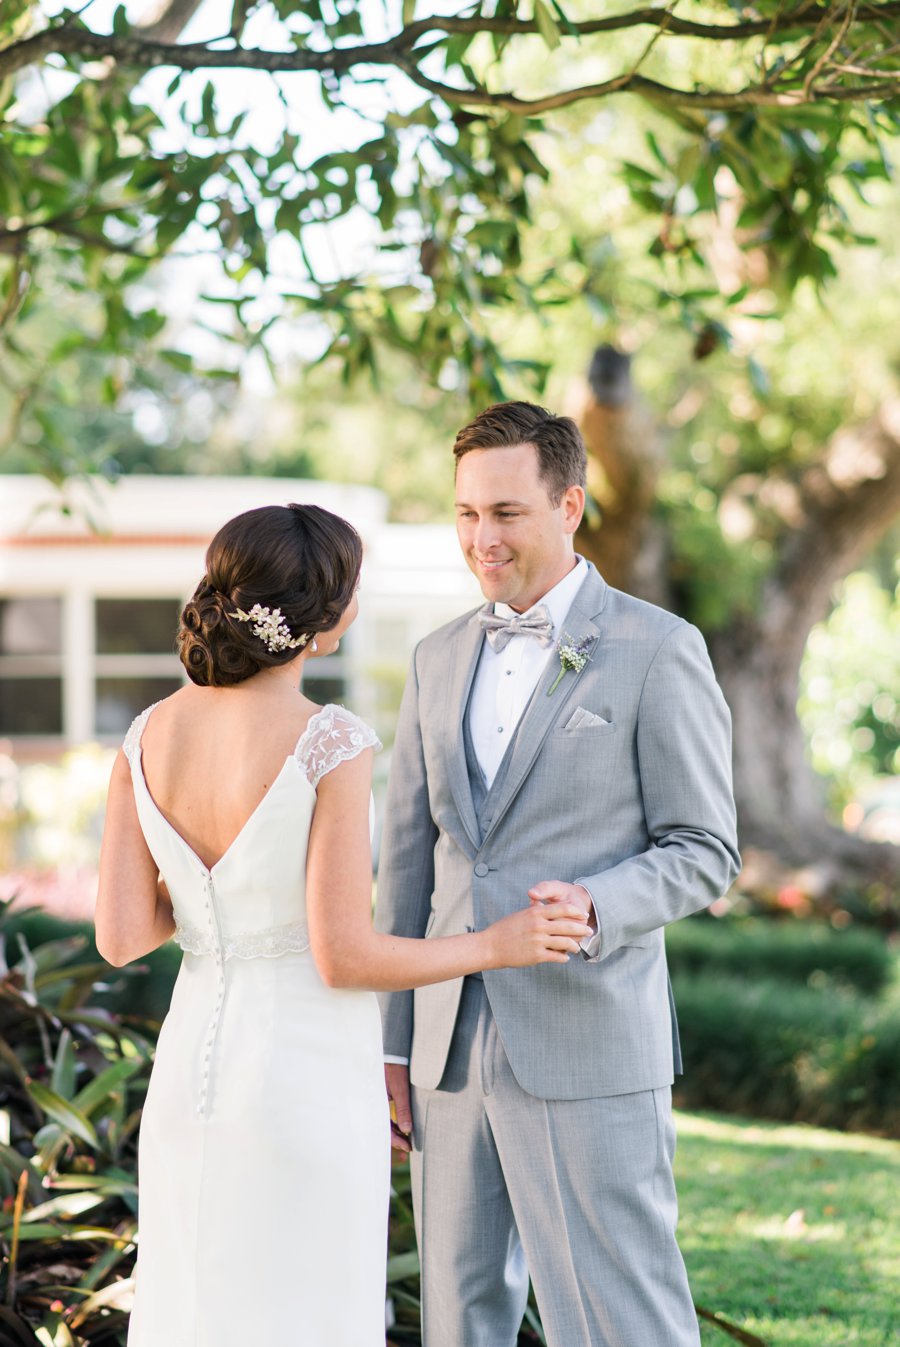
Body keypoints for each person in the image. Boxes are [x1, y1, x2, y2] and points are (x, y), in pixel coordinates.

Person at [94, 502, 592, 1347]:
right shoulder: (329, 740)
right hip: (303, 1074)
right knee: (307, 1306)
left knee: (195, 1300)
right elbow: (344, 954)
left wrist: (219, 896)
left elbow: (121, 935)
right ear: (325, 621)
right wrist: (495, 945)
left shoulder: (146, 736)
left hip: (190, 1075)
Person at [375, 402, 741, 1347]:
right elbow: (409, 862)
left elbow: (706, 847)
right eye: (465, 514)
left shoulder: (658, 649)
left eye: (505, 513)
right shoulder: (437, 655)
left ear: (570, 505)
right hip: (448, 1050)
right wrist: (392, 1045)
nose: (480, 538)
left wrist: (597, 903)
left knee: (619, 1315)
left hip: (588, 1037)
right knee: (459, 1317)